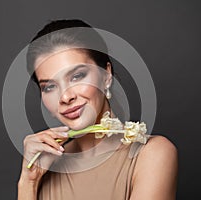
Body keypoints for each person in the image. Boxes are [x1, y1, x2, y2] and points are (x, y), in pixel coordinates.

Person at [17, 19, 178, 200]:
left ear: (106, 75)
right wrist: (28, 182)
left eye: (77, 76)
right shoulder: (46, 168)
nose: (65, 97)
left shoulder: (152, 154)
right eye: (49, 87)